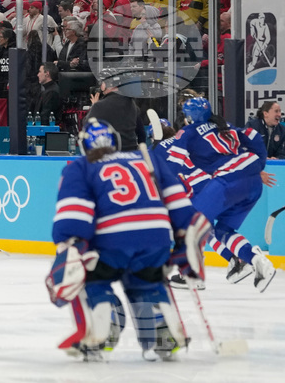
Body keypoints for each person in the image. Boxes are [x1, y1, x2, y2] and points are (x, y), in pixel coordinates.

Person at [48, 118, 208, 361]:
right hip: (156, 238)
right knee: (147, 281)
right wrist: (186, 232)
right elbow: (177, 200)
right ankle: (164, 328)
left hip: (112, 241)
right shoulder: (146, 158)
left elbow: (75, 215)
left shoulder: (81, 166)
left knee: (92, 280)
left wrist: (70, 244)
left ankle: (102, 324)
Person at [164, 97, 276, 291]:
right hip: (253, 181)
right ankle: (257, 261)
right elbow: (254, 136)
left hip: (228, 180)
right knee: (223, 231)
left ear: (189, 117)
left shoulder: (187, 131)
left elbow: (174, 163)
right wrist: (259, 166)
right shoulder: (226, 126)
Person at [85, 74, 144, 151]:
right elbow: (141, 133)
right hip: (131, 153)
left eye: (102, 83)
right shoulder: (133, 105)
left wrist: (94, 106)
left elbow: (86, 125)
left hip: (111, 154)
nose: (100, 87)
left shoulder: (100, 106)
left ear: (107, 85)